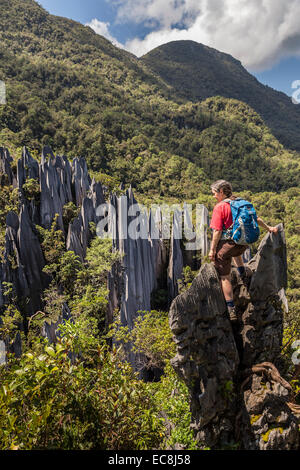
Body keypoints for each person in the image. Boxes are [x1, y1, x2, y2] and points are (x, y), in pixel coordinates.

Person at [209, 180, 278, 321]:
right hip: (243, 244)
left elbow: (217, 231)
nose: (214, 196)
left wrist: (212, 250)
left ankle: (231, 308)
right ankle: (243, 274)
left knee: (224, 277)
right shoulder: (240, 202)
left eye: (215, 193)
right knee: (235, 251)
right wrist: (269, 228)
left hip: (228, 246)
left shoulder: (220, 207)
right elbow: (255, 218)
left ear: (221, 191)